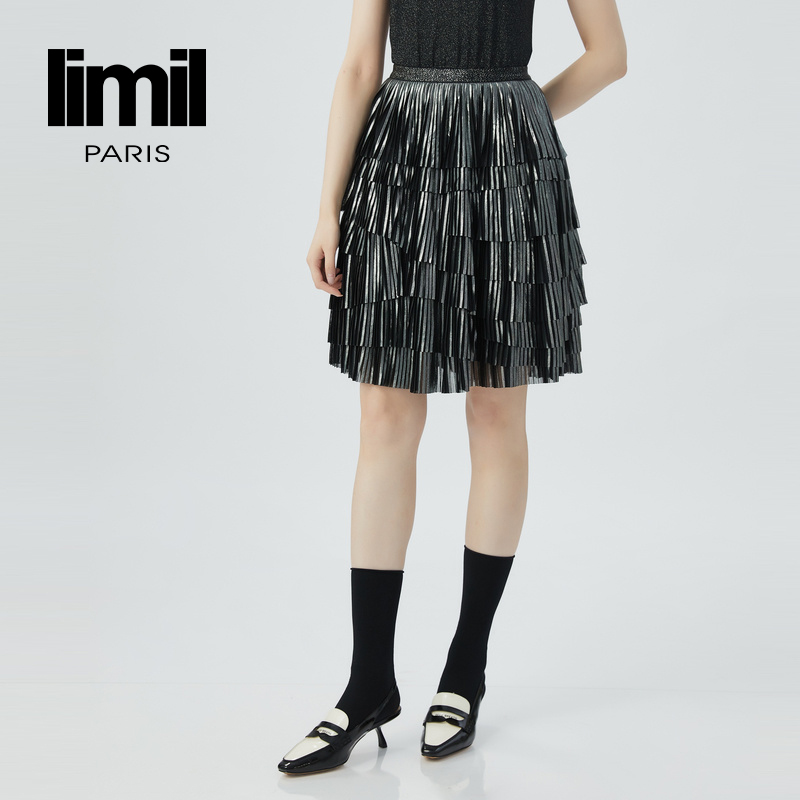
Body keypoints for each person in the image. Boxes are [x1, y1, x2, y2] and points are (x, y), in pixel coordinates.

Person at [278, 0, 626, 775]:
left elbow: (609, 54)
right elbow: (360, 66)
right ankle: (369, 683)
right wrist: (326, 208)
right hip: (399, 161)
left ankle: (465, 669)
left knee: (496, 409)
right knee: (383, 413)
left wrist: (519, 119)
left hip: (510, 168)